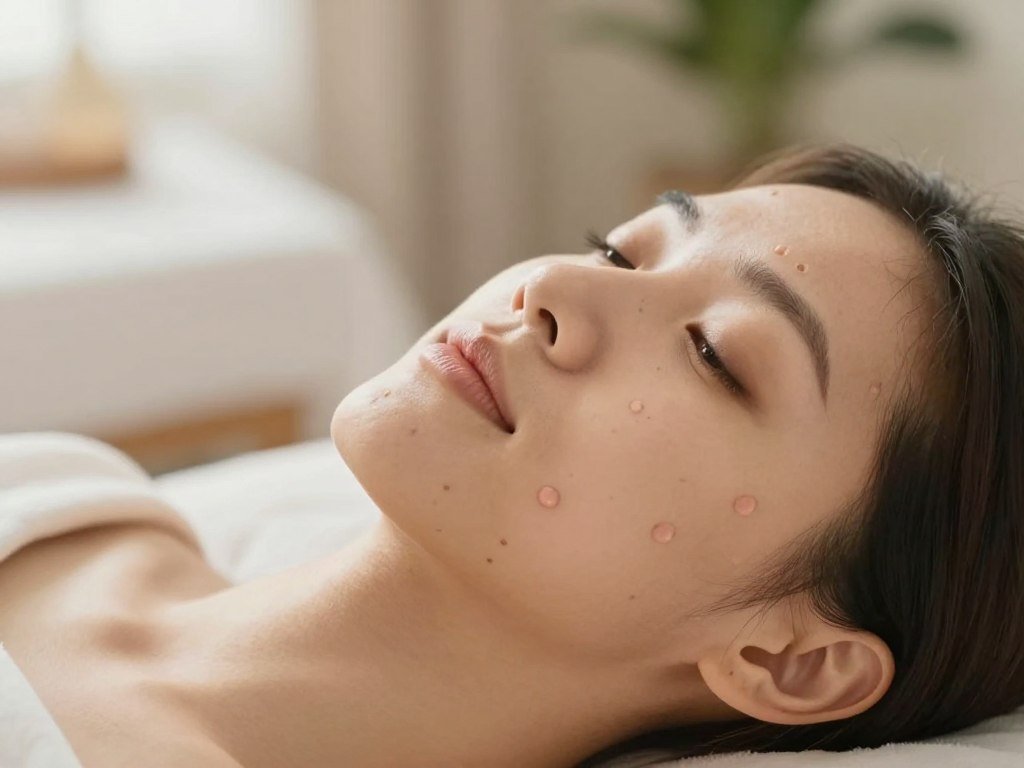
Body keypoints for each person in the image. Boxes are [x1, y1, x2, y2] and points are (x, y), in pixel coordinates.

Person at [1, 143, 1023, 768]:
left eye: (714, 355)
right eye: (620, 251)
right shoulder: (66, 497)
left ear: (788, 664)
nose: (555, 291)